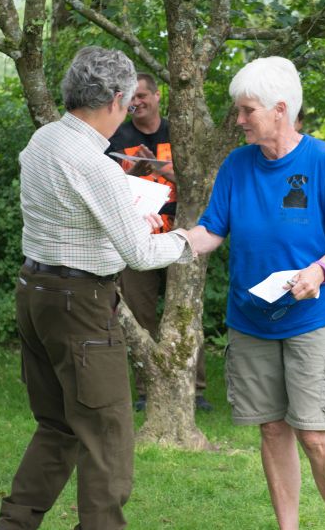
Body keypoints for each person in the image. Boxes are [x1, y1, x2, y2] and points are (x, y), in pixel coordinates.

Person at [0, 47, 193, 530]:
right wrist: (188, 240)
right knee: (107, 436)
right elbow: (141, 256)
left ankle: (13, 524)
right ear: (118, 99)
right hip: (80, 304)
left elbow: (72, 214)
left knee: (58, 424)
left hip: (35, 291)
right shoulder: (96, 163)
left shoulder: (44, 140)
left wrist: (126, 218)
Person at [187, 56, 325, 530]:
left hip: (314, 315)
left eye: (247, 111)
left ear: (280, 109)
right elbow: (211, 231)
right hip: (251, 318)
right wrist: (172, 242)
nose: (239, 120)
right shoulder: (237, 164)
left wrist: (319, 271)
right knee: (272, 427)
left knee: (316, 433)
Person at [107, 73, 211, 412]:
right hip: (136, 238)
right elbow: (104, 187)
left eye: (142, 95)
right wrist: (131, 173)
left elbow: (203, 181)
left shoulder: (177, 132)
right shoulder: (116, 135)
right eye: (130, 98)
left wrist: (170, 173)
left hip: (181, 233)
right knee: (140, 312)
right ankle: (146, 389)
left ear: (157, 95)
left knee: (184, 310)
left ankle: (194, 389)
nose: (136, 102)